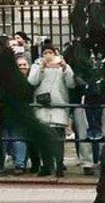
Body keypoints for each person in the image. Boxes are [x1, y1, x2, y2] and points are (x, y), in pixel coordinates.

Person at [27, 44, 76, 176]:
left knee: (58, 139)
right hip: (42, 107)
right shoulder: (36, 66)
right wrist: (42, 68)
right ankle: (46, 166)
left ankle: (59, 165)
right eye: (45, 53)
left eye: (50, 52)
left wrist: (65, 68)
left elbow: (71, 83)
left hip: (59, 106)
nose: (48, 55)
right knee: (43, 139)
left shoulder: (63, 66)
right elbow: (32, 81)